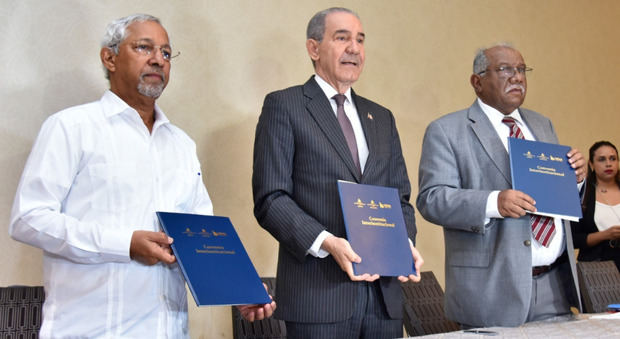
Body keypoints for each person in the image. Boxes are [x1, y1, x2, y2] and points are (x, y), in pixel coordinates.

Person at [9, 14, 273, 338]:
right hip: (91, 331)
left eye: (165, 53)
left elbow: (200, 237)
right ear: (110, 57)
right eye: (144, 47)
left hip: (168, 330)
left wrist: (237, 290)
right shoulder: (71, 128)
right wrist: (125, 244)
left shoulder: (181, 145)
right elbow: (29, 219)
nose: (157, 60)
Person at [252, 7, 423, 339]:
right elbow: (271, 199)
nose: (354, 49)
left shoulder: (382, 117)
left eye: (360, 40)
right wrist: (327, 243)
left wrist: (403, 243)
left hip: (383, 300)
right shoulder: (284, 106)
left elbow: (400, 198)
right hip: (319, 298)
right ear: (314, 48)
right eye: (342, 38)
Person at [416, 43, 586, 328]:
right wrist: (493, 203)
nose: (517, 77)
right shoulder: (446, 130)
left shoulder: (542, 125)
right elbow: (432, 199)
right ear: (477, 82)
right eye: (505, 69)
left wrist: (576, 180)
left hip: (555, 285)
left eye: (521, 70)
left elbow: (554, 194)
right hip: (490, 291)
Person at [572, 141, 620, 271]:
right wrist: (605, 235)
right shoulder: (582, 194)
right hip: (597, 268)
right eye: (602, 159)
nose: (608, 163)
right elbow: (573, 239)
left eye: (613, 159)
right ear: (591, 164)